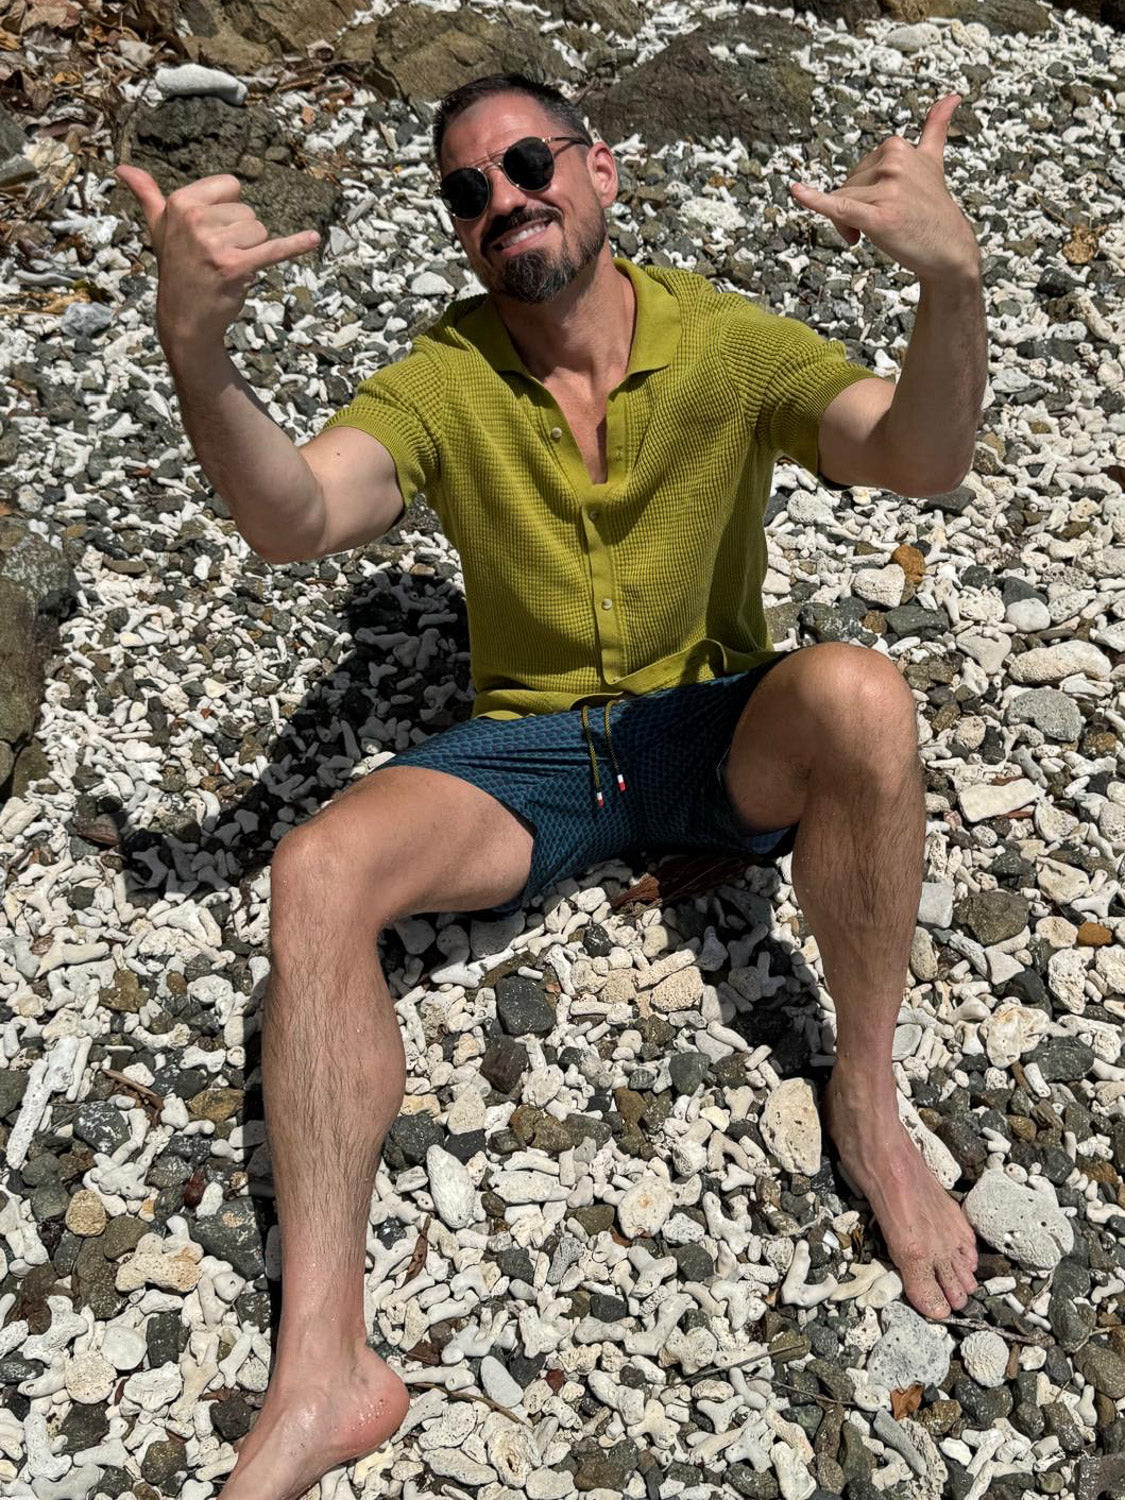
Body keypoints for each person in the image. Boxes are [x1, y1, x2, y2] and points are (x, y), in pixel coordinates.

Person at [116, 68, 988, 1500]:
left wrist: (948, 284)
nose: (504, 198)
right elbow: (296, 518)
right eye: (468, 189)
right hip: (533, 756)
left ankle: (868, 1108)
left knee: (858, 696)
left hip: (713, 733)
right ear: (459, 229)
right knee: (316, 871)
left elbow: (920, 455)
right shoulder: (447, 377)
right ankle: (326, 1367)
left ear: (601, 172)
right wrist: (197, 358)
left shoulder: (720, 340)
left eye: (528, 162)